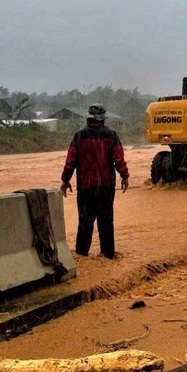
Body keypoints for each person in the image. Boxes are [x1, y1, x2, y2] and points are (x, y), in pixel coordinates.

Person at [60, 103, 129, 259]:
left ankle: (81, 255)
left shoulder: (79, 136)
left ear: (88, 118)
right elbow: (119, 159)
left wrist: (65, 180)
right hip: (106, 187)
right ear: (103, 119)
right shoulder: (112, 135)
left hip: (85, 187)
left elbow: (70, 161)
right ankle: (108, 255)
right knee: (106, 220)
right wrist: (124, 176)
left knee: (85, 220)